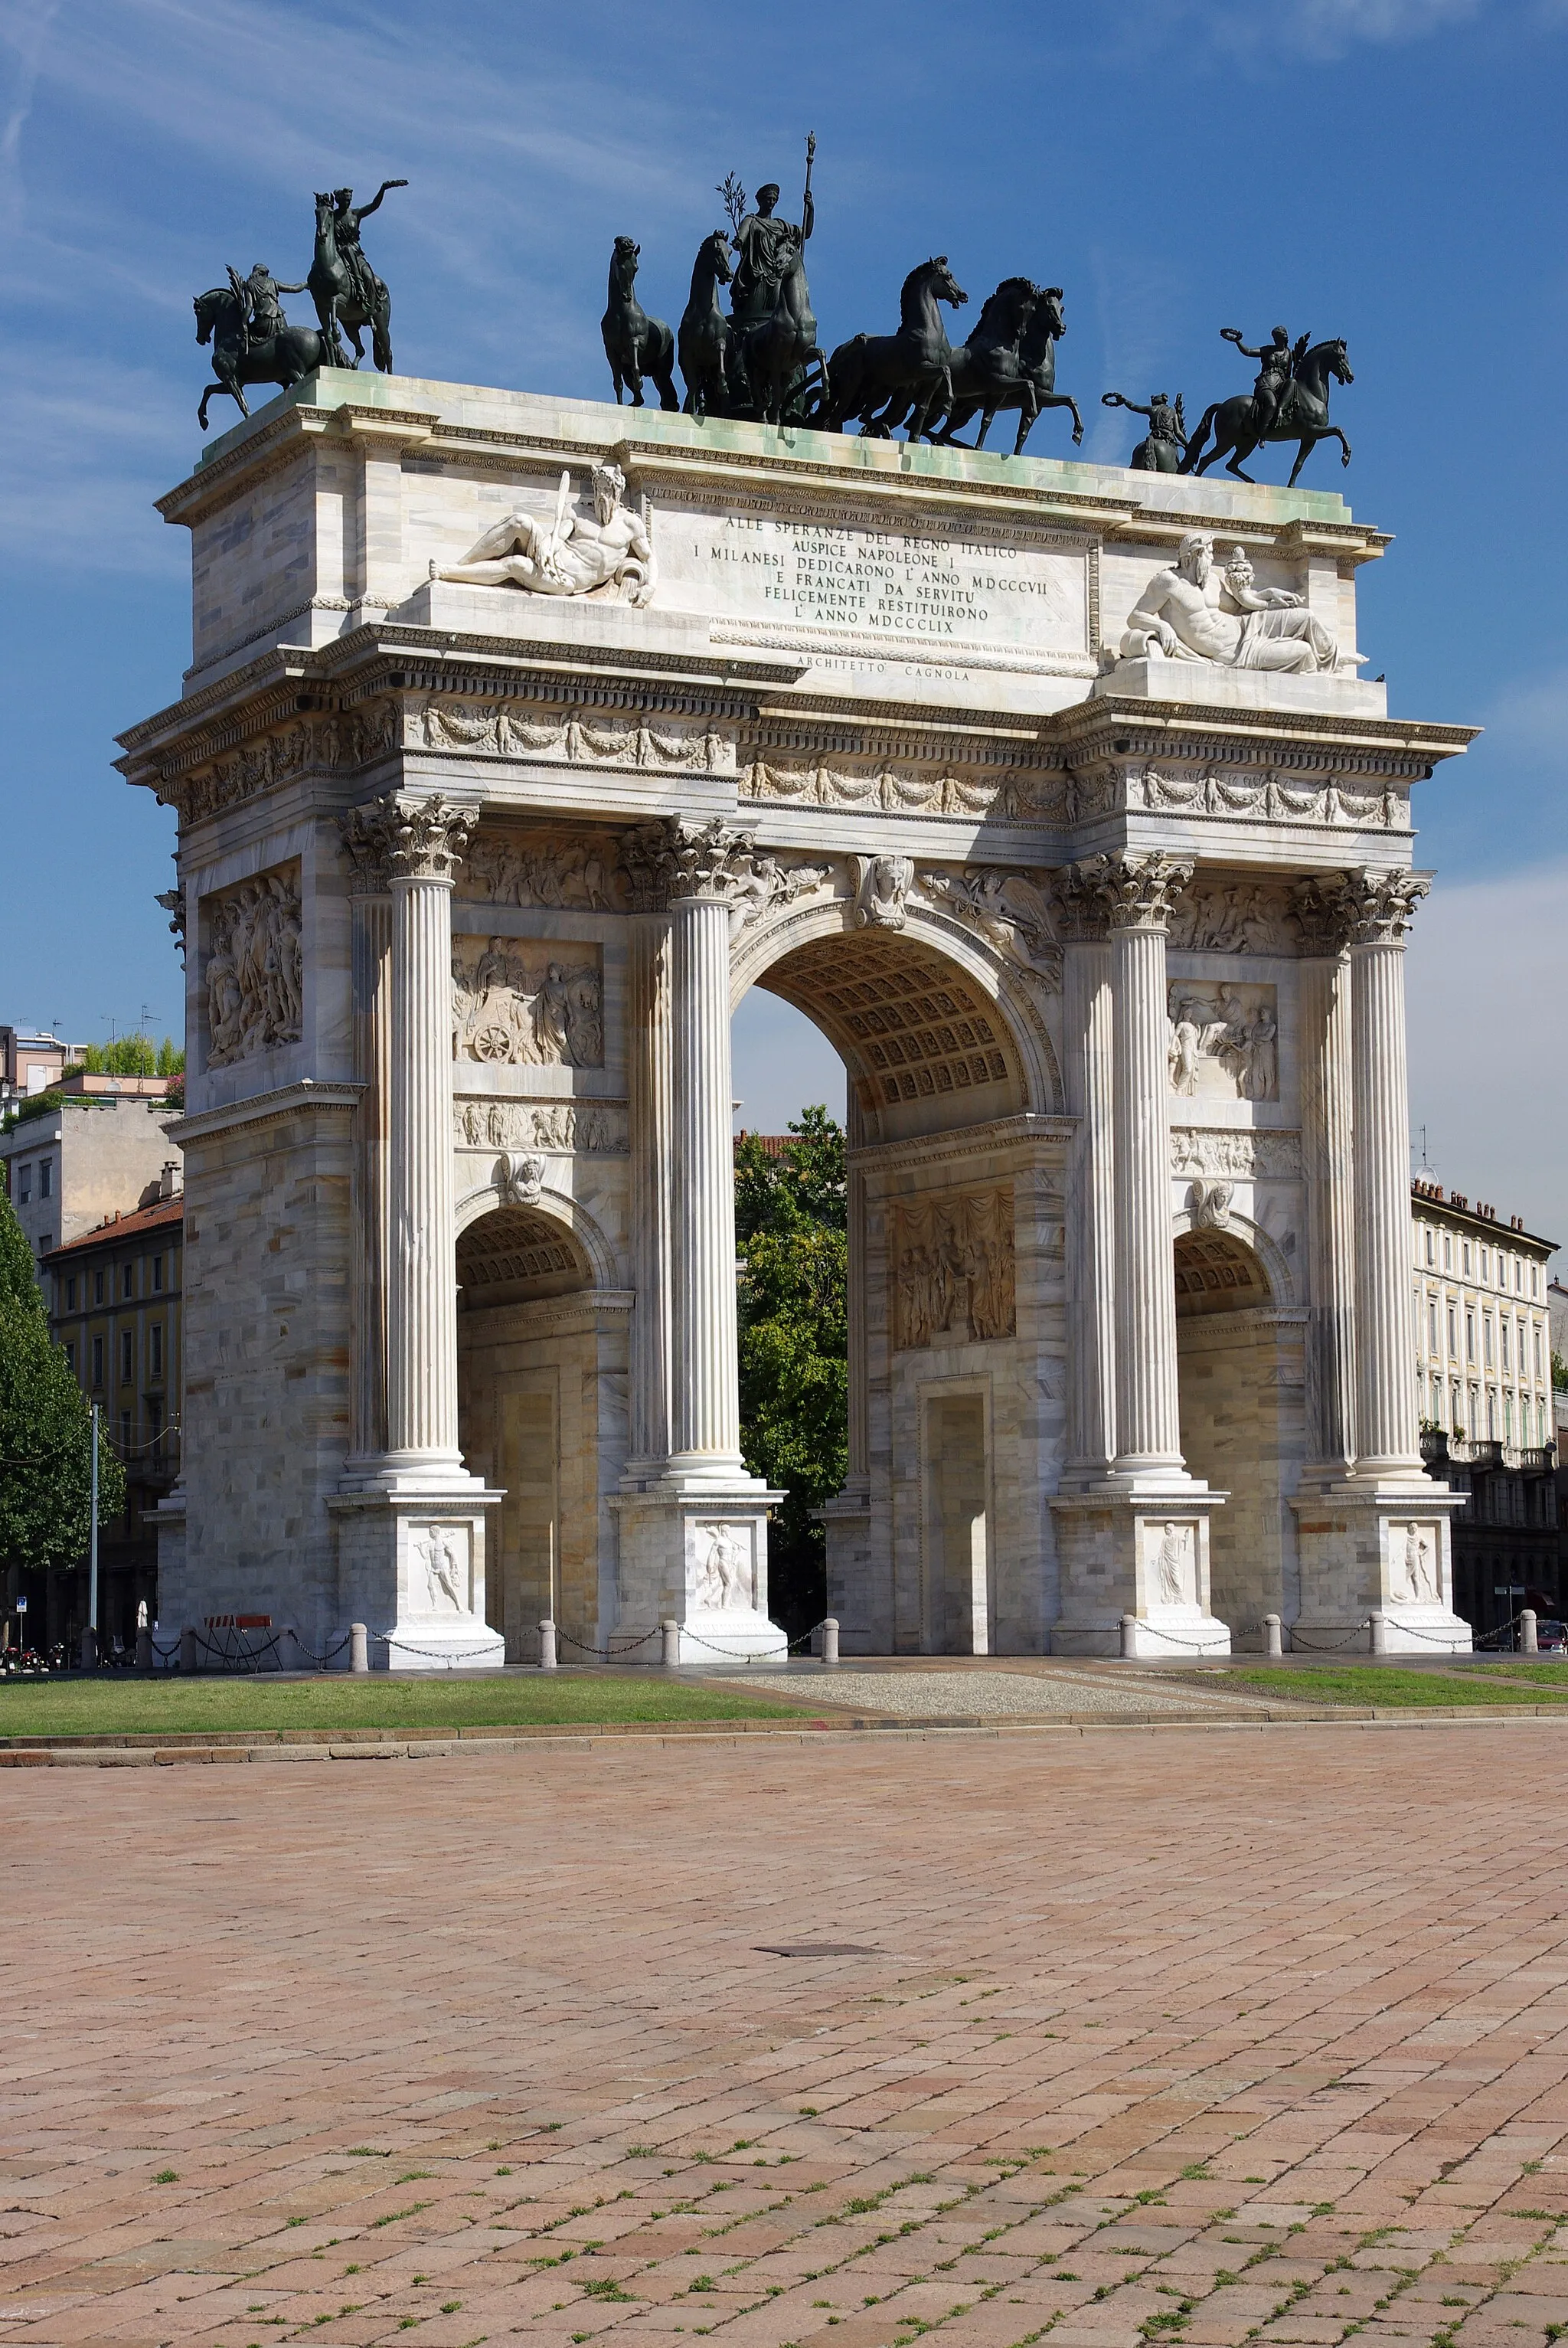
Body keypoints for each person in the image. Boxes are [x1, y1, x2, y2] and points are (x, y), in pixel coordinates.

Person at [1120, 532, 1356, 673]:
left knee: (1306, 617)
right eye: (1209, 553)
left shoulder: (1211, 581)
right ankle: (1325, 661)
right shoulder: (1167, 581)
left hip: (1245, 627)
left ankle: (1333, 657)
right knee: (1303, 651)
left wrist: (1268, 594)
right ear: (1194, 555)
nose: (1213, 558)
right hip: (1235, 653)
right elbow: (1136, 616)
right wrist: (1163, 626)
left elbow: (1239, 607)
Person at [433, 463, 657, 607]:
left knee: (516, 564)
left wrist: (651, 585)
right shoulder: (578, 511)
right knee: (519, 521)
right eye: (598, 490)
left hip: (566, 580)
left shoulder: (630, 524)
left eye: (606, 491)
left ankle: (450, 573)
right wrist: (546, 548)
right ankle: (461, 563)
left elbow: (648, 557)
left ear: (617, 493)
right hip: (553, 557)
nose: (601, 496)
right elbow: (558, 538)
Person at [731, 179, 814, 328]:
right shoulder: (751, 220)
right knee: (753, 318)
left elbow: (805, 234)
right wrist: (738, 242)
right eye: (768, 199)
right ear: (760, 201)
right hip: (757, 277)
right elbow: (740, 238)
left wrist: (810, 209)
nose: (771, 202)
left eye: (774, 200)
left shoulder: (781, 225)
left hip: (776, 277)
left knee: (780, 318)